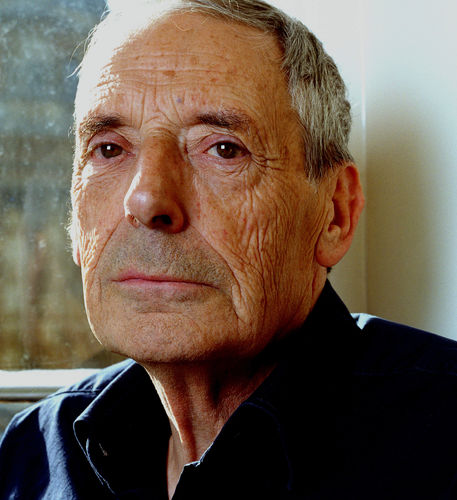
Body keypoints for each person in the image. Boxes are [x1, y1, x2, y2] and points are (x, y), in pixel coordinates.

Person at [1, 1, 457, 498]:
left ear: (335, 214)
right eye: (109, 149)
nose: (146, 200)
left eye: (223, 148)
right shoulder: (32, 455)